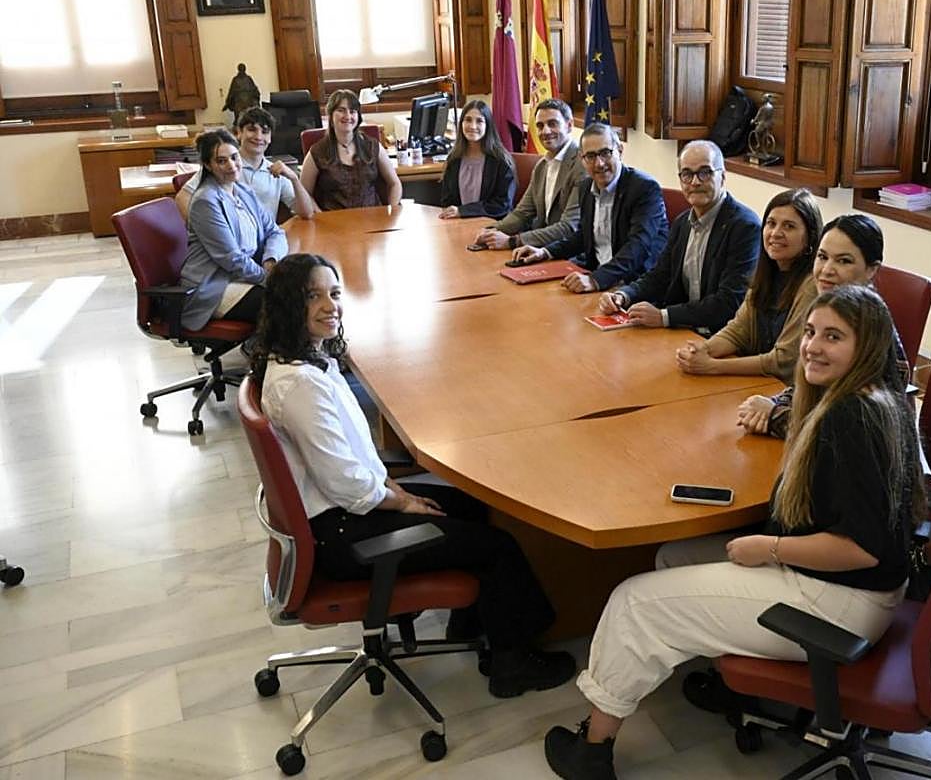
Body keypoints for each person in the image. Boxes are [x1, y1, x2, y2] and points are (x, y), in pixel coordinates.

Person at [542, 284, 926, 779]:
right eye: (811, 332)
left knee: (634, 603)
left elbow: (861, 550)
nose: (812, 347)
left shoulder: (853, 417)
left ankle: (592, 751)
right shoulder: (874, 398)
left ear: (867, 345)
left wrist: (770, 548)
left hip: (841, 604)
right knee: (673, 558)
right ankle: (736, 687)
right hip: (856, 589)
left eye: (834, 337)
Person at [252, 253, 577, 698]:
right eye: (313, 296)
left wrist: (390, 486)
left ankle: (471, 623)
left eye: (334, 293)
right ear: (290, 305)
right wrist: (401, 500)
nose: (330, 306)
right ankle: (512, 665)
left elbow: (346, 459)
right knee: (498, 546)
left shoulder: (303, 361)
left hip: (341, 511)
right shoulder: (299, 386)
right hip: (344, 534)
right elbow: (346, 484)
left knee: (469, 504)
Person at [737, 213, 909, 438]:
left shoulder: (872, 330)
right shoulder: (827, 309)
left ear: (872, 270)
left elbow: (846, 428)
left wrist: (774, 416)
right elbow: (807, 385)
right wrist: (774, 403)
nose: (827, 270)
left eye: (843, 261)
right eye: (822, 257)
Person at [595, 140, 759, 333]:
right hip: (683, 330)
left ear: (722, 177)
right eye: (687, 174)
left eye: (705, 173)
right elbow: (660, 276)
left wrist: (664, 316)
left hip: (721, 337)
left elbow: (729, 303)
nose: (695, 182)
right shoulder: (682, 223)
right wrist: (623, 295)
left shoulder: (745, 227)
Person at [673, 188, 821, 382]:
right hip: (759, 384)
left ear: (810, 237)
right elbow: (737, 331)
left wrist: (713, 366)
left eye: (789, 226)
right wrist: (702, 350)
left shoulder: (812, 286)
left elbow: (784, 361)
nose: (776, 233)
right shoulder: (766, 273)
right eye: (771, 223)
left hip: (787, 389)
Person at [512, 123, 667, 293]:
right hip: (595, 275)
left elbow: (638, 246)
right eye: (591, 156)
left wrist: (595, 280)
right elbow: (585, 236)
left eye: (605, 153)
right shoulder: (586, 187)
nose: (599, 163)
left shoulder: (644, 188)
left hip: (634, 284)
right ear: (582, 159)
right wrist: (545, 252)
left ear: (620, 151)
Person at [179, 129, 288, 332]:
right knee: (284, 306)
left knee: (306, 290)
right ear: (207, 165)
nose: (231, 165)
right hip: (215, 285)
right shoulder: (206, 201)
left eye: (234, 157)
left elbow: (275, 231)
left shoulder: (243, 191)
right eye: (221, 161)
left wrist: (271, 261)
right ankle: (268, 349)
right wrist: (269, 278)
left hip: (245, 275)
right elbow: (231, 259)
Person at [473, 99, 583, 250]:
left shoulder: (582, 164)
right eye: (540, 126)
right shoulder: (541, 166)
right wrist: (491, 230)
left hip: (570, 253)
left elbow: (568, 227)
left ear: (569, 125)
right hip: (540, 249)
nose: (545, 131)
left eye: (552, 124)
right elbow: (521, 214)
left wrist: (513, 241)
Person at [176, 106, 316, 222]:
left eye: (265, 132)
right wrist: (206, 229)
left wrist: (294, 178)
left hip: (265, 240)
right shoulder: (224, 165)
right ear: (238, 133)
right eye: (252, 129)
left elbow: (307, 213)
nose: (258, 137)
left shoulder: (275, 171)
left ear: (270, 138)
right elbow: (182, 198)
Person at [300, 90, 403, 211]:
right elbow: (304, 193)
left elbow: (394, 184)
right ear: (331, 116)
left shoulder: (372, 146)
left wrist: (392, 211)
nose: (348, 116)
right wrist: (320, 216)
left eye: (352, 111)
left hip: (373, 217)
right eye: (341, 110)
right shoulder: (318, 152)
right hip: (333, 220)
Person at [438, 100, 516, 220]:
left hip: (493, 224)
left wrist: (463, 211)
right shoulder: (454, 159)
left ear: (488, 125)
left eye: (479, 121)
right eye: (468, 120)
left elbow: (503, 204)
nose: (473, 126)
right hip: (459, 223)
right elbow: (446, 201)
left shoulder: (501, 160)